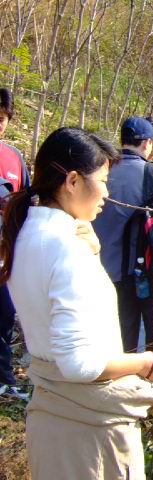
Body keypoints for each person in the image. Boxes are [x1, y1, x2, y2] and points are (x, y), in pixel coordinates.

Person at [2, 127, 153, 479]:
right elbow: (79, 365)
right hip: (89, 434)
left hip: (53, 419)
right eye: (102, 181)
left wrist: (92, 253)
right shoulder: (65, 248)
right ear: (72, 181)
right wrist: (145, 362)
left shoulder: (28, 234)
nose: (107, 193)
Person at [93, 116, 153, 353]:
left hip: (95, 267)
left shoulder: (100, 168)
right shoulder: (151, 174)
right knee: (138, 340)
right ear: (148, 143)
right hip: (135, 275)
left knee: (109, 337)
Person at [0, 88, 30, 401]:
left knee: (4, 316)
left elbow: (27, 200)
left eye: (2, 118)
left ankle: (4, 379)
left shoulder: (14, 157)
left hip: (4, 253)